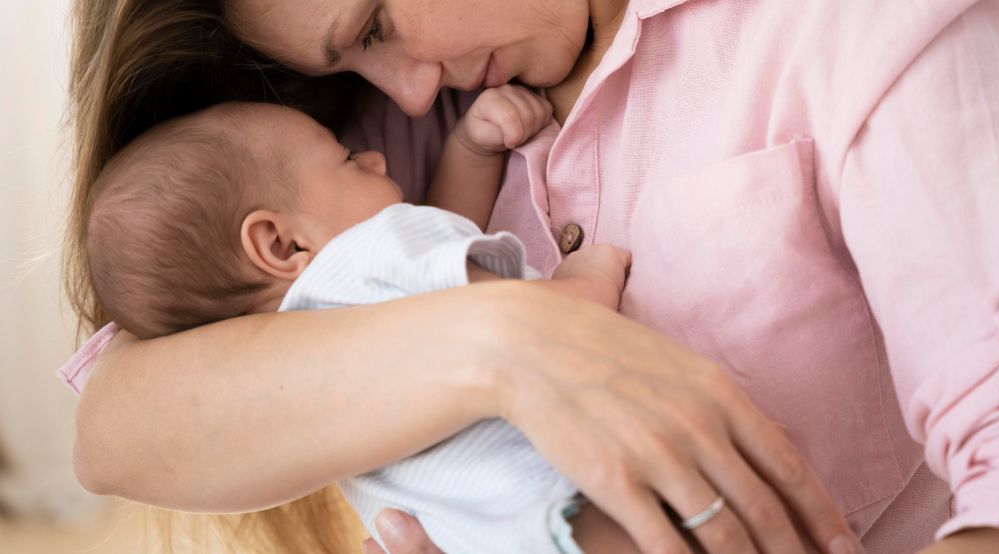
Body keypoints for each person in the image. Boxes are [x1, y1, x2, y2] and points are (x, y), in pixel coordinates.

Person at [62, 0, 999, 553]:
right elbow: (116, 428)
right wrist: (508, 344)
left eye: (372, 28)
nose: (398, 96)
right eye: (349, 64)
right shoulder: (401, 140)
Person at [81, 97, 636, 553]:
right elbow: (543, 324)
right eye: (345, 158)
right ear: (281, 243)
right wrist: (592, 278)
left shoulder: (291, 366)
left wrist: (468, 151)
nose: (374, 159)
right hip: (559, 494)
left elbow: (438, 258)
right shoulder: (374, 250)